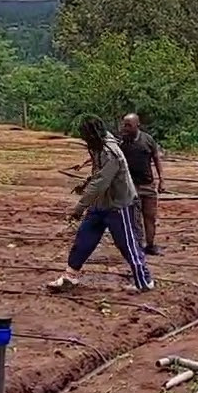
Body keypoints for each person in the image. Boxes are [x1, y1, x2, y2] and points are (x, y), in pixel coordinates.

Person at [48, 115, 154, 293]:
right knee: (84, 237)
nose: (83, 138)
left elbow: (101, 182)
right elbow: (98, 175)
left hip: (119, 204)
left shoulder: (109, 151)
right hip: (101, 202)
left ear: (93, 134)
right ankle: (70, 276)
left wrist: (79, 207)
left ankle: (144, 281)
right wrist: (86, 184)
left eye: (85, 134)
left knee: (127, 244)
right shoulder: (97, 147)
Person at [118, 112, 165, 256]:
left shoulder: (147, 140)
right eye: (124, 125)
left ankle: (150, 245)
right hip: (130, 186)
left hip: (148, 185)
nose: (125, 128)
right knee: (133, 218)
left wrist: (162, 179)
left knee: (150, 217)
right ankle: (137, 245)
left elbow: (156, 158)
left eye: (128, 125)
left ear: (137, 125)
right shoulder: (122, 143)